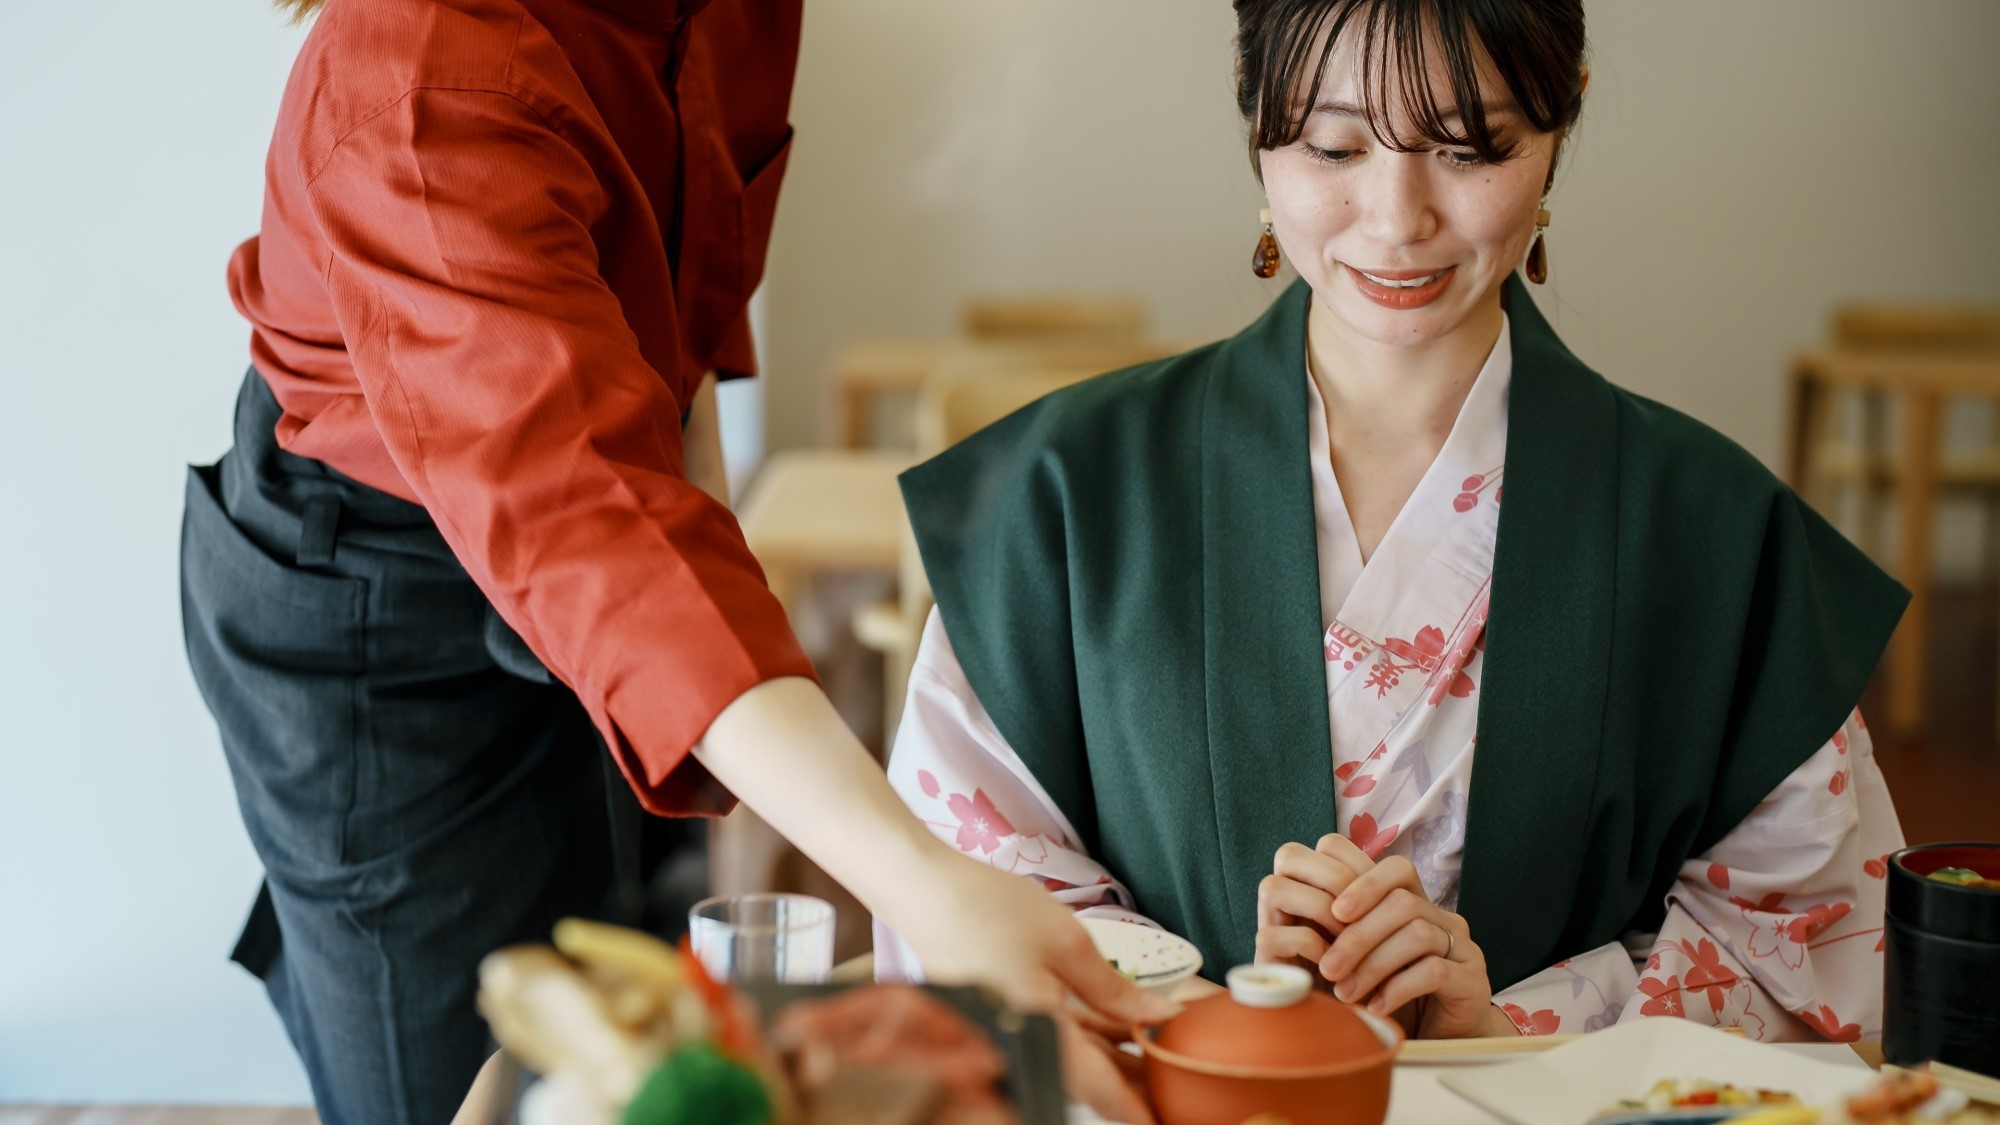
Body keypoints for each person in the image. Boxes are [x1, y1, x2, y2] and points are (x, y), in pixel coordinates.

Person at [181, 1, 1167, 1122]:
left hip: (611, 544)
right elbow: (582, 514)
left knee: (615, 1040)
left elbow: (671, 351)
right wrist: (927, 887)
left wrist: (715, 633)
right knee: (459, 1072)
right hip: (380, 595)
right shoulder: (418, 74)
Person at [877, 0, 1908, 1069]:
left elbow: (1815, 957)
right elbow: (959, 893)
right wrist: (1213, 1007)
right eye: (1333, 145)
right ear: (1255, 123)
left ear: (1560, 124)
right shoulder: (1062, 494)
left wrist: (1510, 1028)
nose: (1394, 217)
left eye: (1470, 148)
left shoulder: (1709, 531)